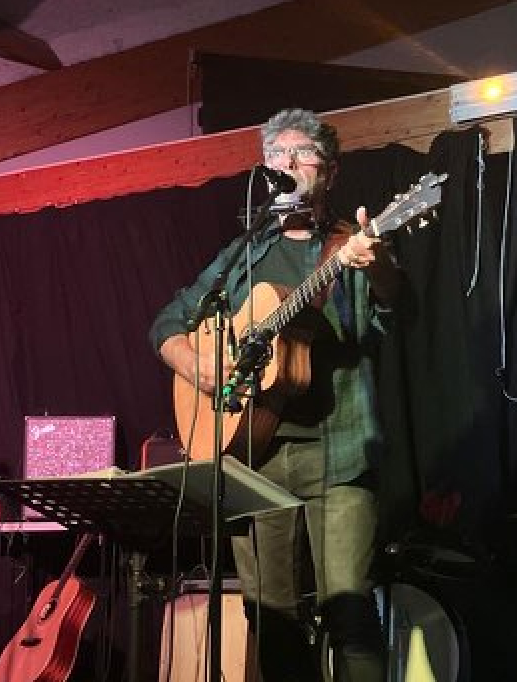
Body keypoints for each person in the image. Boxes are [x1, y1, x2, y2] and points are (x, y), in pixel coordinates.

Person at [149, 108, 401, 681]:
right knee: (271, 617)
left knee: (350, 611)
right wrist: (194, 362)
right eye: (276, 155)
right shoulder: (244, 254)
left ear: (330, 171)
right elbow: (168, 321)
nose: (287, 163)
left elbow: (396, 308)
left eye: (302, 153)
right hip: (253, 456)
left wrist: (379, 264)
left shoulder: (348, 245)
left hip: (339, 453)